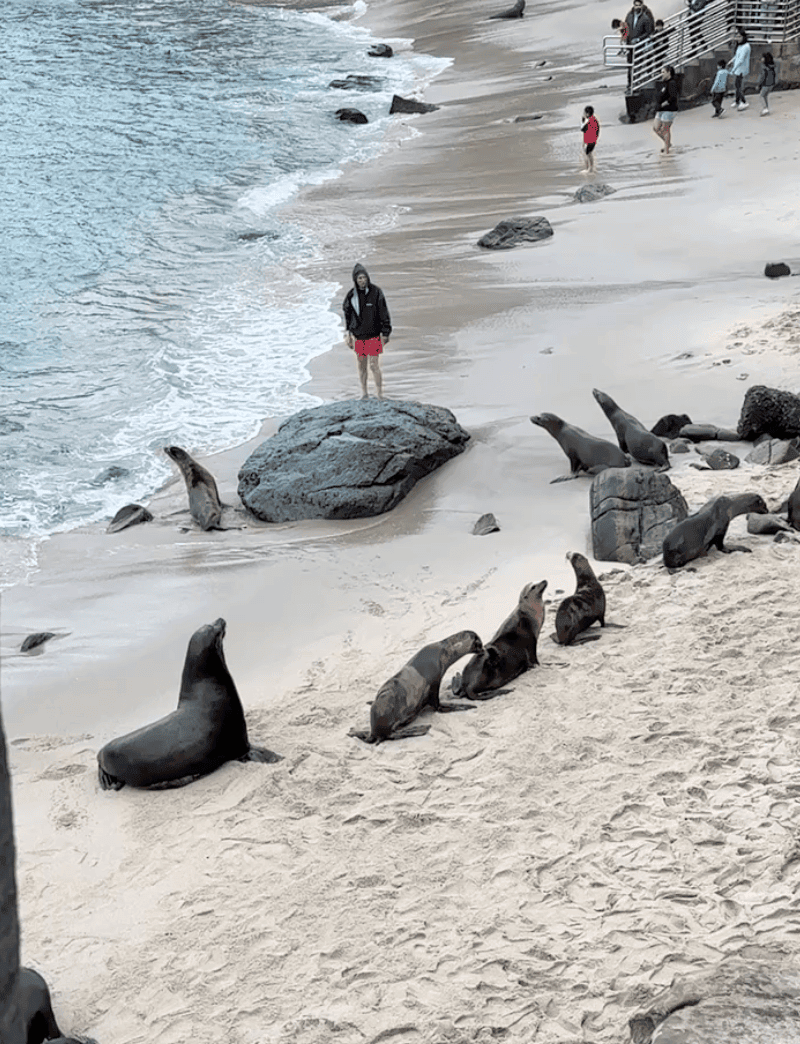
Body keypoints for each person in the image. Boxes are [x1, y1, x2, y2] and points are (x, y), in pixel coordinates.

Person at [342, 262, 392, 399]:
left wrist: (386, 333)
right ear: (355, 280)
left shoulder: (376, 292)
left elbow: (384, 313)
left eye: (364, 277)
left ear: (368, 278)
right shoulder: (351, 296)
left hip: (374, 335)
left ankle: (379, 393)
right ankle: (364, 393)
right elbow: (347, 316)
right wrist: (348, 334)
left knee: (374, 365)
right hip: (359, 336)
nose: (362, 280)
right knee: (361, 365)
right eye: (359, 278)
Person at [652, 65, 679, 154]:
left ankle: (666, 150)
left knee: (665, 129)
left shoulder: (672, 83)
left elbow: (673, 97)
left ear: (669, 72)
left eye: (663, 72)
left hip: (669, 110)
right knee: (656, 128)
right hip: (660, 110)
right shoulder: (664, 83)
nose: (661, 74)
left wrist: (663, 104)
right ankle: (668, 143)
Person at [727, 27, 751, 110]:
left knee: (739, 86)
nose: (738, 39)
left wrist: (733, 69)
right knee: (737, 85)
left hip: (741, 69)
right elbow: (737, 56)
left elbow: (741, 60)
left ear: (744, 37)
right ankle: (737, 101)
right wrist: (731, 61)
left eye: (739, 37)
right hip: (738, 69)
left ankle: (744, 102)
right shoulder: (740, 46)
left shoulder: (746, 46)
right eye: (737, 37)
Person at [580, 106, 600, 173]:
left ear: (587, 113)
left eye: (585, 113)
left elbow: (582, 129)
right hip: (592, 140)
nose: (584, 114)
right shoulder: (593, 120)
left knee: (588, 153)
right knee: (588, 153)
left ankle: (590, 168)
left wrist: (582, 122)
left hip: (591, 140)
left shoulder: (590, 121)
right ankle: (590, 167)